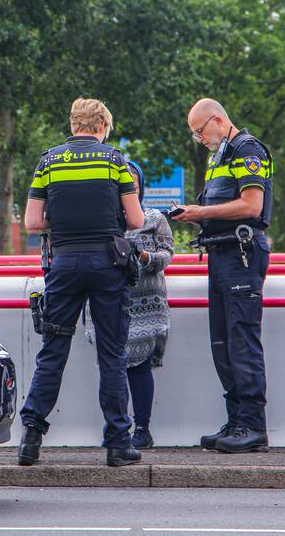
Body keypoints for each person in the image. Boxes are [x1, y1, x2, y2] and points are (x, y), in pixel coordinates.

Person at [18, 98, 145, 468]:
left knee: (53, 350)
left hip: (64, 264)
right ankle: (118, 443)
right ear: (102, 125)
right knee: (112, 354)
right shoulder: (115, 160)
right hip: (107, 263)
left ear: (73, 124)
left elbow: (32, 222)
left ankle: (30, 437)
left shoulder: (48, 162)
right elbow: (136, 220)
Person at [172, 98, 274, 453]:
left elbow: (251, 205)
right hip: (222, 252)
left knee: (242, 339)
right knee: (223, 342)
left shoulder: (247, 150)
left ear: (218, 120)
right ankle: (236, 420)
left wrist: (202, 210)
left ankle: (253, 425)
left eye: (200, 131)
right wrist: (197, 214)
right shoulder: (219, 156)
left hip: (242, 254)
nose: (199, 138)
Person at [84, 161, 173, 449]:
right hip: (108, 300)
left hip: (146, 305)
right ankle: (116, 428)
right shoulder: (102, 219)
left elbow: (167, 255)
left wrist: (143, 257)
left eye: (133, 184)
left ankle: (143, 429)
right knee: (113, 366)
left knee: (140, 366)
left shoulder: (155, 218)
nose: (129, 189)